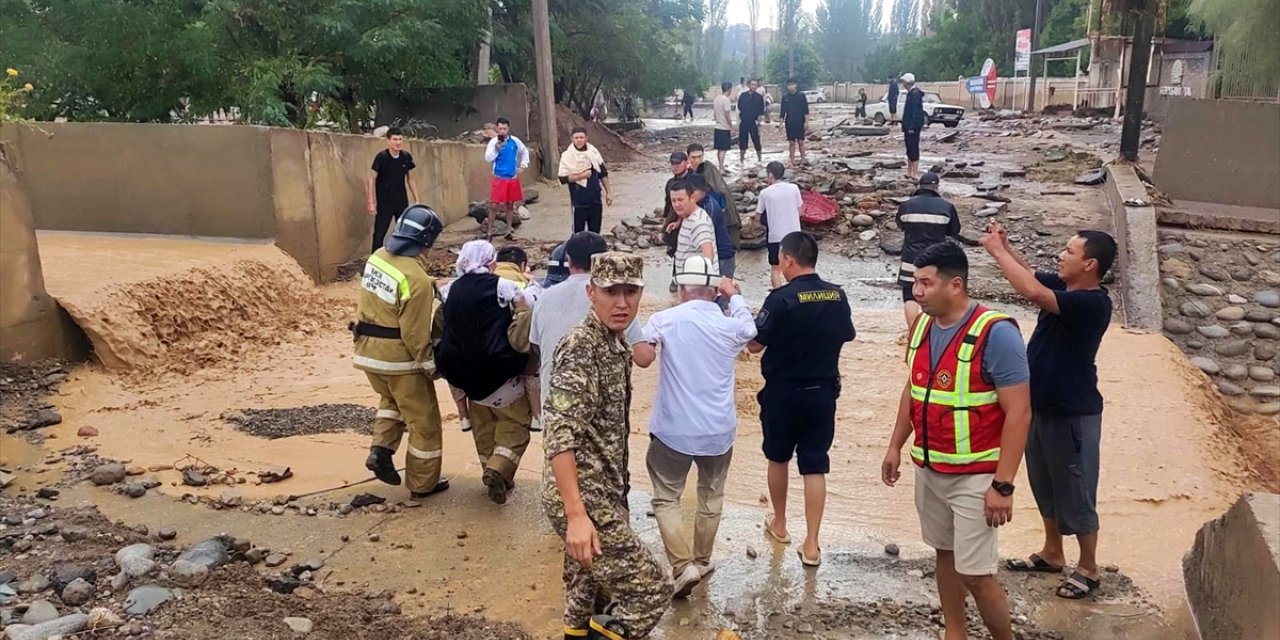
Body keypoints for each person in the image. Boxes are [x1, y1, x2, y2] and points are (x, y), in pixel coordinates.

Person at [881, 241, 1031, 640]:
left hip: (977, 475)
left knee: (976, 573)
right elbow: (913, 388)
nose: (917, 291)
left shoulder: (996, 334)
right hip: (930, 468)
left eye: (926, 283)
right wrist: (896, 445)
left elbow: (1020, 412)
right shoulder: (922, 328)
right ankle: (954, 632)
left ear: (956, 285)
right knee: (944, 557)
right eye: (916, 282)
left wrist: (1003, 485)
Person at [981, 223, 1117, 601]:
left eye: (1069, 251)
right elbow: (1030, 277)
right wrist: (1007, 249)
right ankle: (1052, 552)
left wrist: (995, 252)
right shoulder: (1066, 288)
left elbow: (1030, 290)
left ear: (1089, 264)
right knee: (1045, 483)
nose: (1061, 255)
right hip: (1039, 407)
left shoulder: (1092, 303)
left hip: (1073, 412)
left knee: (1076, 487)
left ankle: (1088, 567)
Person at [544, 252, 672, 640]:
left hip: (604, 488)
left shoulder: (616, 345)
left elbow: (603, 435)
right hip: (584, 494)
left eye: (630, 292)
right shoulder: (583, 346)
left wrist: (617, 496)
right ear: (591, 293)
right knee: (651, 591)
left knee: (587, 585)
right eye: (611, 291)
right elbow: (559, 434)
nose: (621, 303)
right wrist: (577, 514)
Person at [632, 257, 755, 598]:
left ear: (682, 289)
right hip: (718, 430)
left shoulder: (665, 319)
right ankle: (702, 561)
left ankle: (682, 565)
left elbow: (643, 357)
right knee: (710, 495)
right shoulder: (729, 325)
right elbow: (751, 331)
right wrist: (736, 296)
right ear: (715, 291)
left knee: (667, 497)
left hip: (673, 430)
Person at [749, 232, 855, 567]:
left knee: (778, 458)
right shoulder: (837, 296)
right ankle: (812, 545)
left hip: (782, 392)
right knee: (814, 465)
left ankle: (779, 524)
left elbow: (754, 345)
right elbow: (847, 334)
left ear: (788, 260)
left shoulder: (779, 299)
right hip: (822, 393)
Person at [352, 204, 450, 498]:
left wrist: (433, 284)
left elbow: (399, 282)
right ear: (428, 241)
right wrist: (431, 367)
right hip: (399, 361)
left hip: (367, 353)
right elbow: (415, 334)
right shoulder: (416, 281)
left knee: (391, 401)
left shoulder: (378, 258)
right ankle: (422, 484)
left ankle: (380, 451)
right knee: (425, 423)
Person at [435, 241, 535, 505]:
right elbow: (521, 323)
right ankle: (498, 469)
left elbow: (439, 326)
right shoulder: (503, 286)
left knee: (484, 430)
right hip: (503, 375)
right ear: (491, 263)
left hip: (466, 379)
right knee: (514, 427)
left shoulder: (450, 289)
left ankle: (491, 470)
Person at [530, 232, 643, 418]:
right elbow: (643, 358)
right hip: (598, 416)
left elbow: (536, 348)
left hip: (552, 409)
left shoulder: (544, 297)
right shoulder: (617, 305)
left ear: (568, 259)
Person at [897, 172, 961, 329]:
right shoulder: (947, 206)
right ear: (936, 187)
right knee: (934, 294)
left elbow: (901, 224)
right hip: (936, 260)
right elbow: (954, 231)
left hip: (910, 259)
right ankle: (933, 333)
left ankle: (913, 333)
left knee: (910, 296)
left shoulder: (906, 205)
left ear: (920, 186)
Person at [365, 127, 419, 254]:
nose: (398, 142)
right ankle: (375, 259)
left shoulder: (406, 157)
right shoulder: (382, 157)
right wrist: (371, 201)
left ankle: (404, 256)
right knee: (380, 232)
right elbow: (371, 179)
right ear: (388, 141)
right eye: (395, 139)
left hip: (401, 200)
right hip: (384, 202)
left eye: (400, 139)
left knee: (404, 231)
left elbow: (411, 178)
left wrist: (417, 199)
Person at [756, 161, 804, 290]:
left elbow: (758, 215)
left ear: (770, 175)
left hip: (775, 236)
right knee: (796, 266)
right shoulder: (794, 188)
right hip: (794, 234)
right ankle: (796, 292)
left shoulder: (765, 193)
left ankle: (778, 293)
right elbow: (801, 211)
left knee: (775, 268)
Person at [688, 143, 741, 258]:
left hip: (716, 209)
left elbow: (719, 190)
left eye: (699, 156)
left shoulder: (708, 169)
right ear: (688, 158)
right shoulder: (690, 172)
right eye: (693, 157)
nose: (696, 160)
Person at [558, 127, 613, 234]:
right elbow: (562, 178)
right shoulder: (567, 156)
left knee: (595, 232)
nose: (579, 140)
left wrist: (609, 193)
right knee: (578, 234)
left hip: (595, 200)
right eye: (576, 138)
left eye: (581, 137)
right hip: (578, 203)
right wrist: (581, 176)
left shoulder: (594, 153)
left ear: (586, 138)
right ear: (572, 139)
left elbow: (603, 174)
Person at [484, 117, 530, 241]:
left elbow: (525, 152)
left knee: (510, 205)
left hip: (512, 178)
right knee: (494, 206)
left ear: (508, 129)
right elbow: (488, 158)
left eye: (504, 128)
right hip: (499, 178)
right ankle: (489, 233)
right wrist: (496, 150)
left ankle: (508, 231)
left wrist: (522, 167)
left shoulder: (515, 141)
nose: (502, 131)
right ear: (497, 129)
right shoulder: (494, 142)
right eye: (500, 129)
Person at [684, 174, 736, 279]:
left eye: (694, 191)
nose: (691, 194)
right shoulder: (699, 204)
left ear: (704, 190)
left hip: (722, 258)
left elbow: (704, 236)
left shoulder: (709, 209)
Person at [666, 180, 718, 276]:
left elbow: (708, 254)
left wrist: (703, 284)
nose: (677, 205)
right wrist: (678, 222)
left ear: (692, 198)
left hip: (697, 286)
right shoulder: (688, 216)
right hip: (687, 283)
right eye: (673, 201)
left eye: (680, 200)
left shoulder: (699, 222)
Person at [661, 151, 694, 292]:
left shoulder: (694, 181)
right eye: (673, 163)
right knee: (677, 250)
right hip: (675, 219)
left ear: (686, 163)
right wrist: (666, 222)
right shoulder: (670, 183)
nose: (675, 166)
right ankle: (676, 278)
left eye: (678, 163)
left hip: (692, 220)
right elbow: (668, 205)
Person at [901, 73, 925, 180]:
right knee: (909, 148)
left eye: (903, 82)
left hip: (913, 127)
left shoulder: (914, 94)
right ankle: (909, 171)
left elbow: (915, 112)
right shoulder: (911, 93)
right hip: (909, 126)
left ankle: (914, 173)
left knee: (913, 148)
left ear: (906, 83)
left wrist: (911, 126)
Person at [737, 79, 768, 165]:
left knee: (756, 140)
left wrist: (758, 122)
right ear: (748, 85)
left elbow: (761, 111)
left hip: (754, 122)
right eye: (752, 84)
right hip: (744, 121)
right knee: (743, 140)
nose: (753, 86)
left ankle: (759, 159)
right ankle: (742, 159)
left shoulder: (759, 97)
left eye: (755, 85)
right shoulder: (743, 96)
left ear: (757, 86)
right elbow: (739, 107)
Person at [780, 80, 810, 165]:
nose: (791, 87)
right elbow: (782, 112)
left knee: (801, 141)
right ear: (787, 86)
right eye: (789, 85)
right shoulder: (785, 97)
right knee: (791, 143)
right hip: (789, 122)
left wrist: (806, 122)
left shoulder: (801, 96)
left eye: (792, 85)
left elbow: (806, 110)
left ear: (796, 85)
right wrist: (780, 124)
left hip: (800, 122)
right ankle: (792, 160)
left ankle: (803, 158)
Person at [712, 82, 734, 170]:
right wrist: (731, 126)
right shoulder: (726, 100)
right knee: (723, 149)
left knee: (719, 149)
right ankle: (721, 168)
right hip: (724, 127)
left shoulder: (716, 99)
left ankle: (721, 166)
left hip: (717, 127)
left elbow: (714, 114)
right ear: (729, 89)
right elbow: (727, 114)